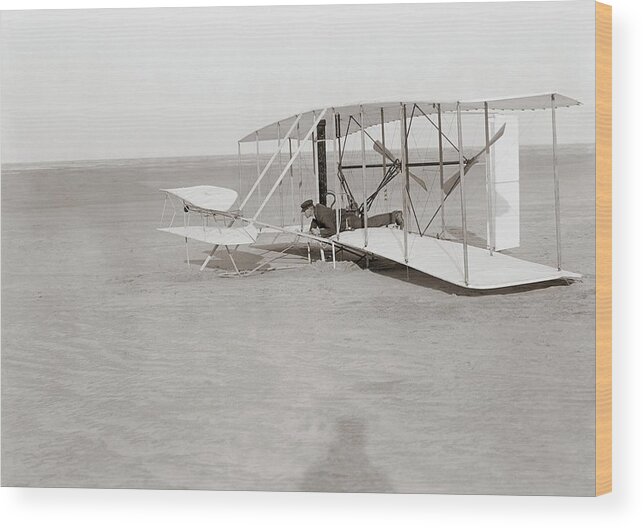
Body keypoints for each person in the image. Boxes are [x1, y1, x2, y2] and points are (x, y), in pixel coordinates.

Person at [300, 199, 403, 238]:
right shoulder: (317, 211)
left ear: (310, 209)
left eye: (304, 211)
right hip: (345, 217)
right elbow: (315, 220)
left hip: (349, 221)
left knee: (370, 223)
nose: (304, 214)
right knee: (369, 222)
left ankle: (394, 216)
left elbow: (333, 230)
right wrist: (311, 230)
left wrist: (320, 233)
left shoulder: (322, 214)